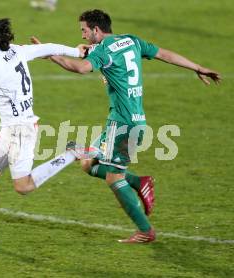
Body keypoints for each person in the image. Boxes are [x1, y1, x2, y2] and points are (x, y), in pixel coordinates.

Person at [32, 9, 221, 243]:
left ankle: (145, 230)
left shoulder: (103, 50)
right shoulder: (131, 40)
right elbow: (164, 53)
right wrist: (197, 67)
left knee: (113, 177)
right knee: (87, 164)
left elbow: (80, 68)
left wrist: (50, 55)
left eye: (84, 31)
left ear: (96, 30)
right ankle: (137, 181)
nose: (82, 36)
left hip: (123, 124)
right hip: (129, 121)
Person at [0, 18, 85, 248]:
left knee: (22, 186)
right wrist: (76, 51)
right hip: (8, 130)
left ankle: (72, 153)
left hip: (21, 130)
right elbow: (49, 47)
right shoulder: (16, 50)